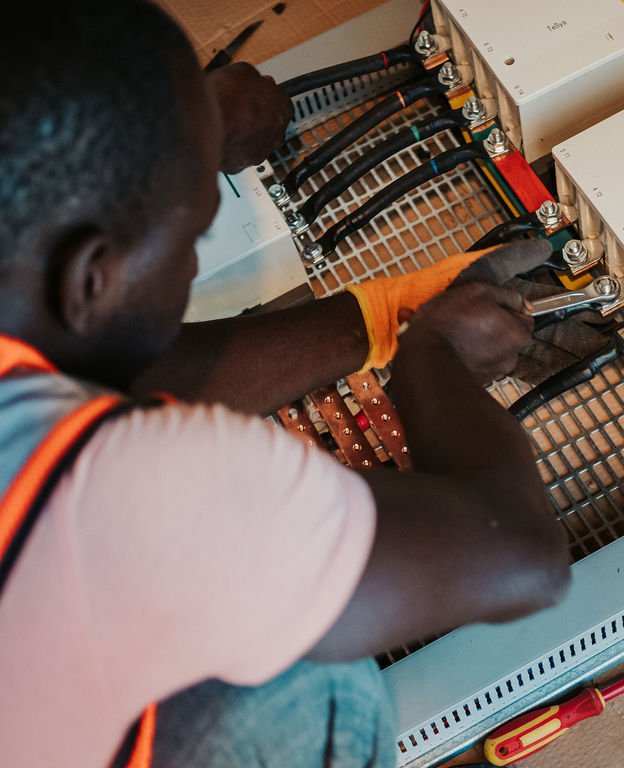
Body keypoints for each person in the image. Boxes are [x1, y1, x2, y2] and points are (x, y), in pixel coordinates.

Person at [0, 2, 570, 767]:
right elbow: (522, 558)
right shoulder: (136, 496)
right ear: (90, 275)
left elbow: (93, 354)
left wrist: (187, 125)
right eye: (191, 237)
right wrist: (430, 354)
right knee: (316, 684)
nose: (193, 265)